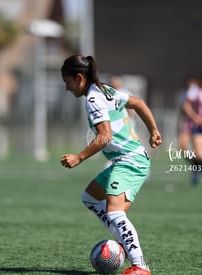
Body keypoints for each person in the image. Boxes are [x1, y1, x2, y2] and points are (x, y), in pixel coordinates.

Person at [60, 55, 162, 275]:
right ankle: (124, 246)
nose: (67, 88)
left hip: (130, 161)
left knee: (115, 213)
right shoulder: (104, 89)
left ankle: (140, 267)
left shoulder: (93, 99)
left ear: (79, 78)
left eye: (67, 82)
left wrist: (79, 157)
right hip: (125, 160)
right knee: (90, 197)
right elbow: (139, 103)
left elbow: (104, 136)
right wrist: (153, 130)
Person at [177, 75, 197, 158]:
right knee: (182, 146)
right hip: (187, 122)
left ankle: (200, 164)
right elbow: (183, 107)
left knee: (197, 146)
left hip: (197, 123)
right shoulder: (184, 93)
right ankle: (194, 163)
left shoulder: (198, 93)